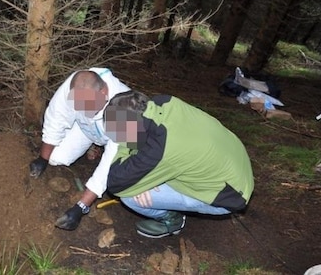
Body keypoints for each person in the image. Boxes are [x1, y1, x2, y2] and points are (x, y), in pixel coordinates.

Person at [103, 90, 254, 238]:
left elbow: (116, 185)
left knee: (130, 197)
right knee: (148, 170)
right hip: (233, 160)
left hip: (229, 195)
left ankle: (172, 220)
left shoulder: (160, 149)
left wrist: (139, 179)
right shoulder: (163, 101)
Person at [28, 68, 130, 230]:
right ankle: (92, 144)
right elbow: (57, 118)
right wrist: (43, 158)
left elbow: (110, 162)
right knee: (56, 158)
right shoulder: (74, 86)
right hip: (85, 129)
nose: (84, 109)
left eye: (89, 105)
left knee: (118, 170)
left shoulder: (123, 108)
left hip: (114, 138)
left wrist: (82, 206)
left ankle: (98, 145)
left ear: (103, 92)